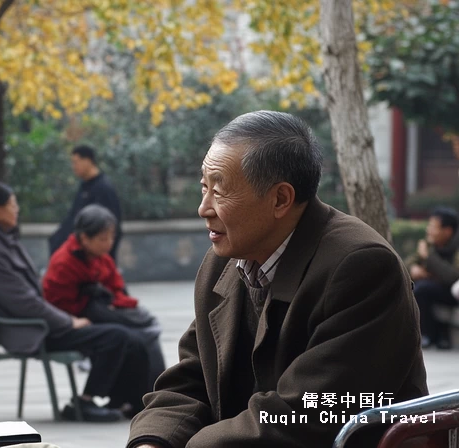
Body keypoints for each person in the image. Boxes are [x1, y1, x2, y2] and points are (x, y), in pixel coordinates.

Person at [128, 111, 428, 448]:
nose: (203, 208)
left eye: (220, 190)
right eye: (203, 187)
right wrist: (155, 440)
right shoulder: (223, 263)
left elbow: (302, 416)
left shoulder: (360, 266)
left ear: (280, 199)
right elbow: (193, 375)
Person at [0, 180, 151, 421]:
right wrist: (68, 321)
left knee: (129, 337)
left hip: (37, 321)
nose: (16, 209)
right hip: (31, 329)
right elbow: (24, 303)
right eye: (12, 204)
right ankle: (84, 402)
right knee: (117, 337)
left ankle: (125, 402)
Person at [43, 204, 166, 387]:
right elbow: (59, 305)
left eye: (111, 237)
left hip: (95, 314)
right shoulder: (64, 263)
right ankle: (107, 397)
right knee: (125, 338)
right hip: (66, 324)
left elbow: (117, 288)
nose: (109, 243)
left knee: (145, 334)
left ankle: (144, 396)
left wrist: (115, 303)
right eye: (103, 238)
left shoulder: (100, 257)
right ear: (84, 238)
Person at [49, 144, 123, 260]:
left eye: (76, 162)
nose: (74, 167)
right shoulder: (84, 186)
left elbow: (110, 226)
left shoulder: (103, 188)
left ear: (88, 161)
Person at [408, 206, 459, 350]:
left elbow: (453, 277)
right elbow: (409, 263)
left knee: (423, 288)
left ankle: (430, 335)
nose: (428, 230)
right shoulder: (431, 244)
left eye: (433, 227)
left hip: (453, 291)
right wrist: (414, 269)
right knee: (419, 287)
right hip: (437, 290)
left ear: (447, 231)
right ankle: (435, 335)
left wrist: (428, 258)